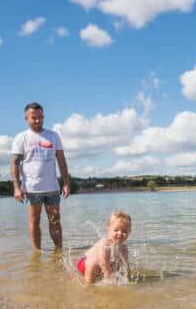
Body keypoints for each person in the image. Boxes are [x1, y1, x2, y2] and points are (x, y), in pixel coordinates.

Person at [11, 102, 71, 250]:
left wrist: (66, 183)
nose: (38, 121)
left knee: (55, 220)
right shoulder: (21, 138)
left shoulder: (53, 136)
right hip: (32, 189)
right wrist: (17, 188)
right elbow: (14, 164)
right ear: (26, 118)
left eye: (40, 117)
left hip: (52, 187)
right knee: (34, 221)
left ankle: (59, 251)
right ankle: (37, 253)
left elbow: (62, 161)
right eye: (34, 118)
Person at [76, 211, 131, 284]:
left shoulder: (124, 248)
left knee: (118, 265)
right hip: (84, 264)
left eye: (124, 231)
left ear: (129, 232)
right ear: (108, 229)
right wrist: (109, 276)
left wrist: (129, 278)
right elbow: (103, 264)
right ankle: (88, 285)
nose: (120, 233)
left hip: (101, 265)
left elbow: (125, 265)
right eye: (116, 230)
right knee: (94, 262)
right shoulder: (105, 245)